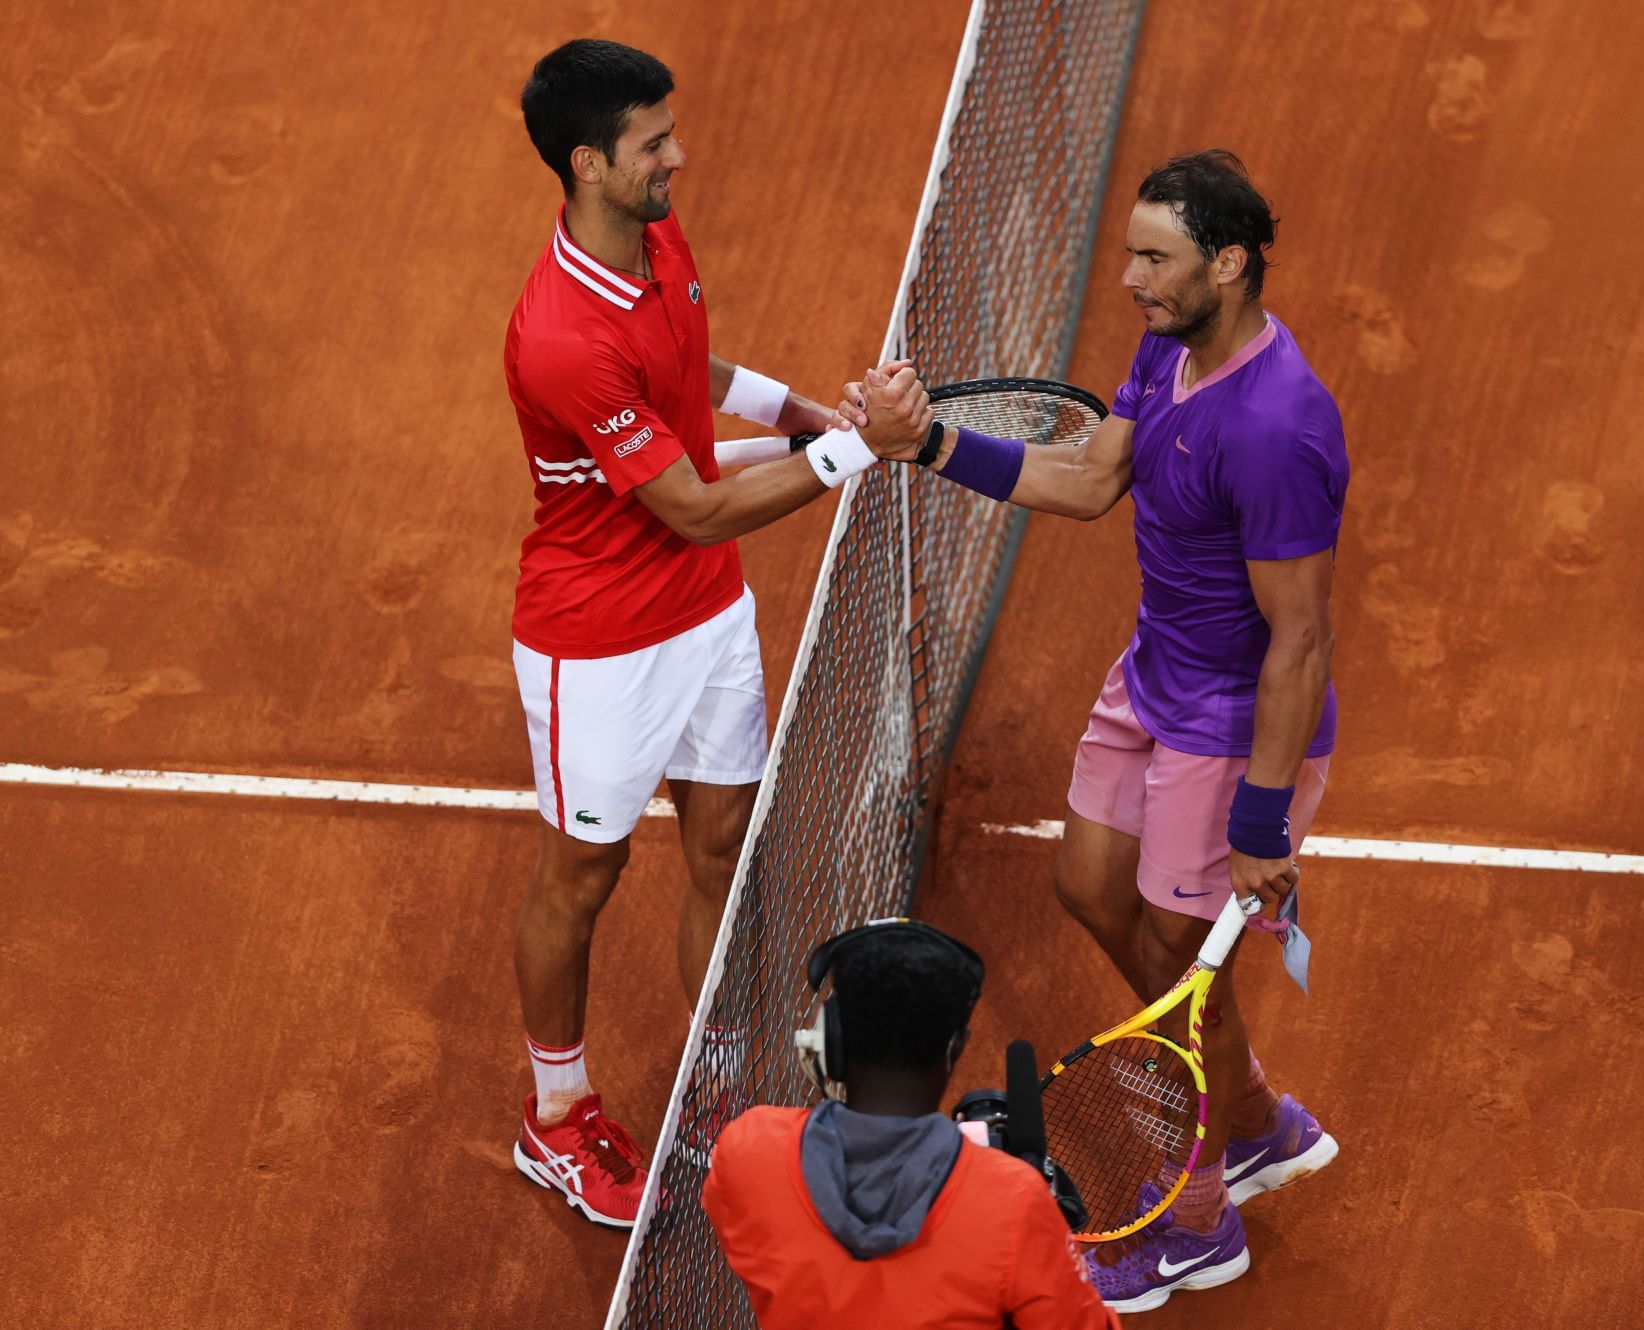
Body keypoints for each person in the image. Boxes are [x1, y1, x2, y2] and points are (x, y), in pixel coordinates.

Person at [845, 150, 1346, 1310]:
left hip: (1228, 727)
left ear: (1229, 263)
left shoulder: (1276, 427)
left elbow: (1303, 639)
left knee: (1181, 975)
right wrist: (926, 446)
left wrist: (1262, 821)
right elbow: (1091, 478)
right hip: (1151, 676)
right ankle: (1256, 1113)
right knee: (1085, 884)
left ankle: (1200, 1217)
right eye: (1130, 252)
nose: (1130, 277)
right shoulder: (1170, 342)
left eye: (1154, 258)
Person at [502, 38, 928, 1228]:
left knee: (721, 844)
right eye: (653, 143)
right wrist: (851, 450)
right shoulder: (559, 336)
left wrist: (796, 411)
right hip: (597, 648)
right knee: (581, 876)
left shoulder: (654, 234)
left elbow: (694, 358)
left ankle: (713, 1089)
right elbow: (688, 506)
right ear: (590, 163)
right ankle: (556, 1114)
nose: (675, 155)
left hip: (705, 617)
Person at [702, 919, 1119, 1329]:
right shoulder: (1016, 1203)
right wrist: (1043, 1236)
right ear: (956, 1049)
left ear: (833, 1042)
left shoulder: (747, 1151)